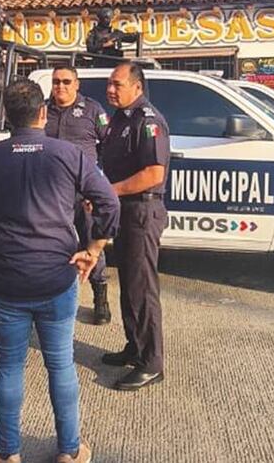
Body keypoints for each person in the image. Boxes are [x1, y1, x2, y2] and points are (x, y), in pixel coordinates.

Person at [0, 79, 119, 463]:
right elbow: (109, 203)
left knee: (10, 365)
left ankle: (8, 453)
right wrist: (93, 249)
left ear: (6, 116)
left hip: (8, 278)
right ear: (43, 113)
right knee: (60, 363)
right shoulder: (68, 154)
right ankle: (69, 451)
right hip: (58, 276)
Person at [98, 62, 170, 391]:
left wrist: (108, 191)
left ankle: (151, 362)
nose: (111, 89)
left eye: (118, 84)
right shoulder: (118, 120)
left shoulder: (148, 121)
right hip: (124, 211)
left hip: (142, 212)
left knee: (142, 288)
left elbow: (154, 174)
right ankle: (135, 346)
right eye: (110, 84)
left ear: (137, 87)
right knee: (128, 285)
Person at [44, 65, 112, 325]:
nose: (60, 86)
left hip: (83, 193)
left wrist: (98, 183)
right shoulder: (43, 110)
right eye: (56, 82)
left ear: (77, 84)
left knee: (91, 242)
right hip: (51, 193)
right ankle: (51, 298)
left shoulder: (93, 110)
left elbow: (108, 146)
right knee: (52, 244)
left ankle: (100, 299)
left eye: (66, 82)